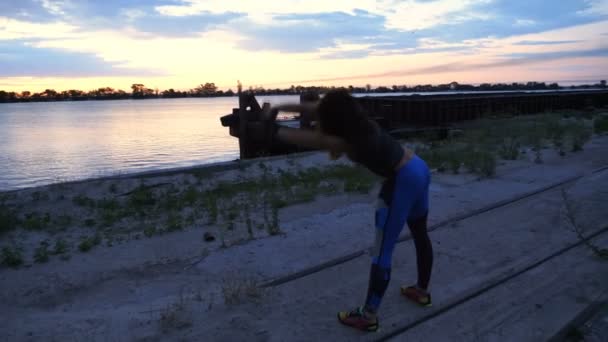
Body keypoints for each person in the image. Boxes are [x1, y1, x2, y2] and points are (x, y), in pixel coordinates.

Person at [264, 90, 434, 332]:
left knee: (382, 252)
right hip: (418, 167)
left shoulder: (346, 140)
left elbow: (304, 138)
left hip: (401, 181)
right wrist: (276, 109)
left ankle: (368, 316)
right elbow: (313, 110)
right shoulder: (357, 122)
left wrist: (273, 131)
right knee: (420, 234)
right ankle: (421, 291)